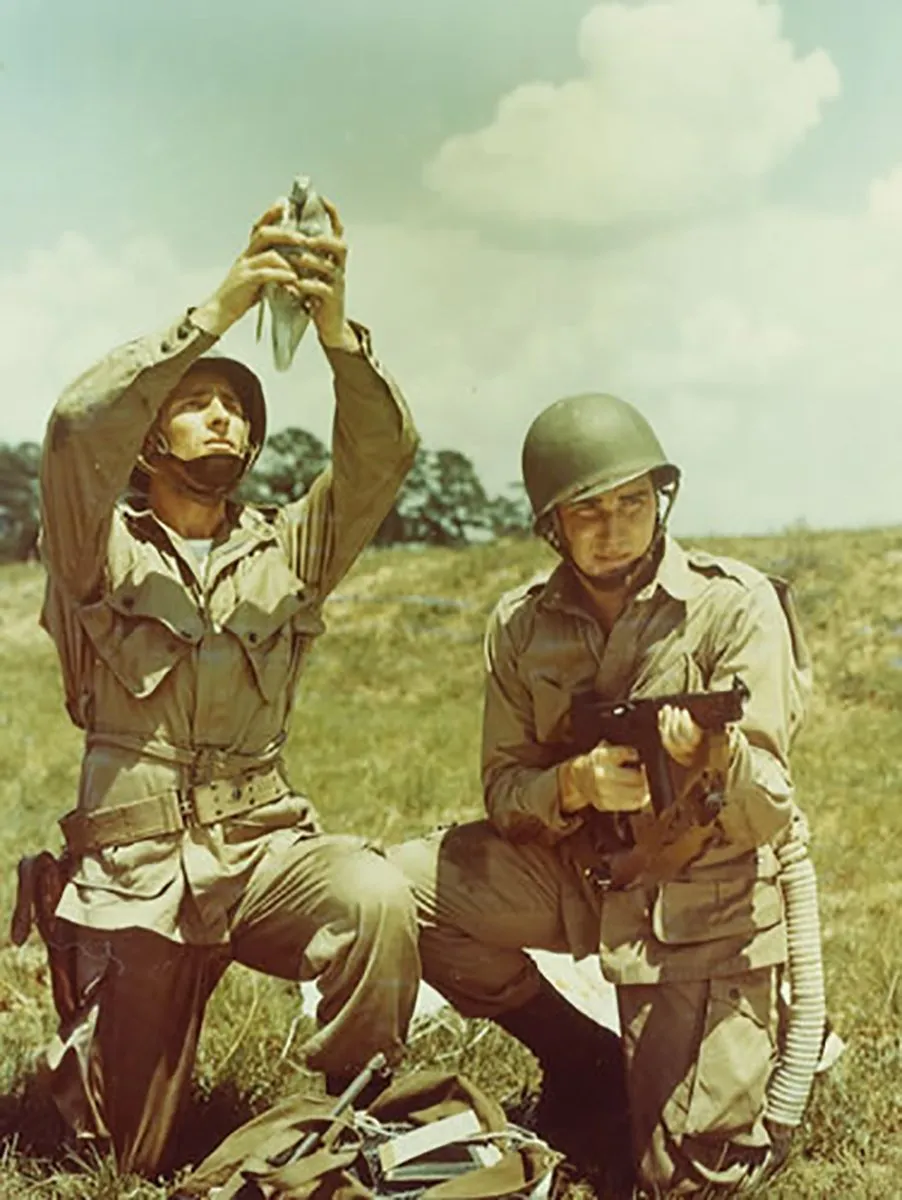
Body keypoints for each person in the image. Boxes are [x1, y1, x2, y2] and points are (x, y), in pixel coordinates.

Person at [22, 197, 422, 1177]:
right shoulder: (94, 547)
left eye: (238, 408)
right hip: (136, 880)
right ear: (150, 437)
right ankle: (58, 1070)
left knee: (373, 897)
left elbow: (380, 458)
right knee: (117, 1158)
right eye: (198, 401)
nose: (225, 416)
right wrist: (229, 301)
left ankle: (345, 1127)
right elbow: (76, 427)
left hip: (257, 856)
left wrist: (332, 333)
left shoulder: (292, 548)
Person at [391, 392, 815, 1196]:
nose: (616, 525)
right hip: (583, 876)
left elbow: (768, 812)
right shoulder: (520, 625)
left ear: (663, 500)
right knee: (394, 891)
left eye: (634, 502)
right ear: (552, 524)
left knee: (685, 1178)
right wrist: (573, 783)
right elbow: (504, 788)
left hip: (701, 904)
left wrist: (714, 760)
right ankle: (579, 1060)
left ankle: (761, 1034)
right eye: (589, 510)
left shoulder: (735, 604)